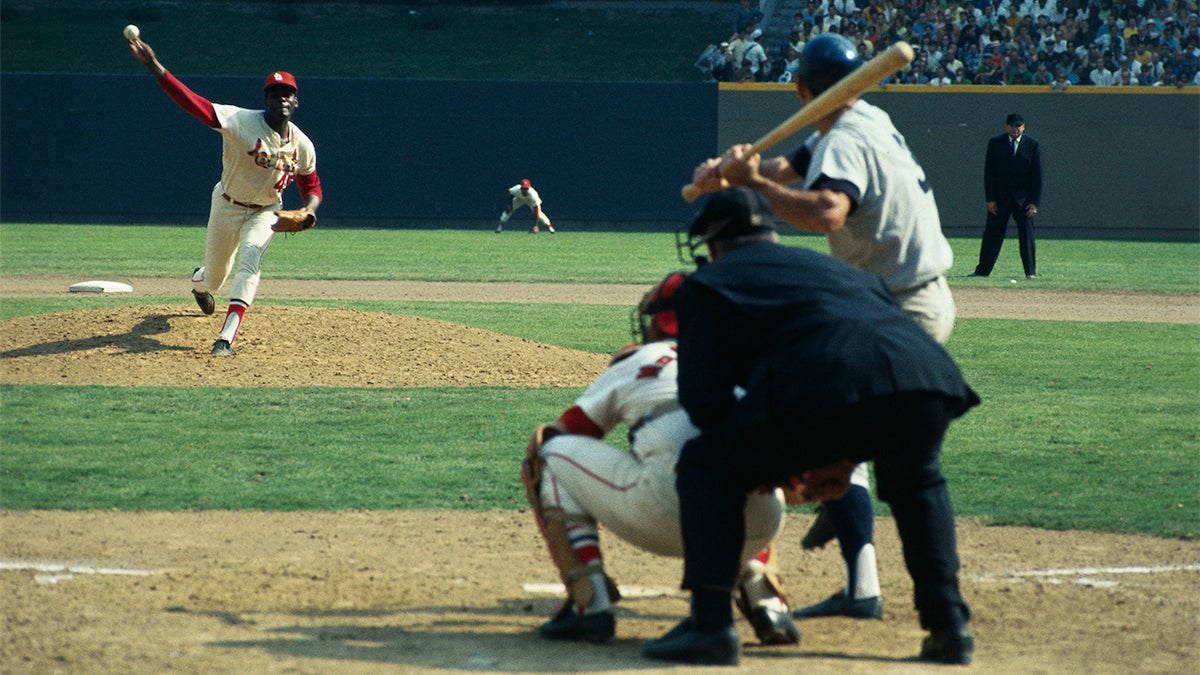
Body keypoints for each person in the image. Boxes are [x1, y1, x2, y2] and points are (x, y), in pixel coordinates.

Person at [641, 187, 979, 667]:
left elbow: (705, 405)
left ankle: (711, 625)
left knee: (705, 463)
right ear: (769, 233)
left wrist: (785, 460)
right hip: (926, 374)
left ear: (714, 244)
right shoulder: (832, 267)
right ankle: (950, 628)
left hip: (829, 382)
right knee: (917, 483)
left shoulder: (708, 283)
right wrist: (834, 449)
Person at [687, 33, 959, 626]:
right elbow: (793, 166)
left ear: (800, 87)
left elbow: (828, 209)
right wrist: (737, 173)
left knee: (843, 444)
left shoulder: (847, 138)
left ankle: (852, 559)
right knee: (868, 454)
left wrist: (752, 185)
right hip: (901, 305)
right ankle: (865, 558)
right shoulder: (864, 118)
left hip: (895, 310)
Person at [520, 273, 800, 646]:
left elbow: (568, 432)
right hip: (764, 521)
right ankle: (767, 602)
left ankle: (591, 604)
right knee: (743, 466)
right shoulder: (745, 360)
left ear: (657, 322)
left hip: (667, 516)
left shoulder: (644, 357)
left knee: (548, 453)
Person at [128, 38, 322, 357]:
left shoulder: (303, 145)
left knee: (250, 257)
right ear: (266, 99)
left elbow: (311, 185)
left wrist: (310, 210)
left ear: (296, 101)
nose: (281, 98)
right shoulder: (240, 121)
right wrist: (154, 66)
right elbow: (193, 103)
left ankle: (225, 338)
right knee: (214, 279)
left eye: (287, 93)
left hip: (267, 212)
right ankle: (199, 281)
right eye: (274, 93)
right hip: (226, 204)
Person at [969, 113, 1042, 279]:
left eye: (1019, 126)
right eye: (1012, 126)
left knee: (1027, 235)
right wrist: (990, 198)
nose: (1015, 129)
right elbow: (989, 173)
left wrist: (1034, 202)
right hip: (1000, 198)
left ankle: (1030, 272)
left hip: (1023, 200)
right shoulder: (995, 143)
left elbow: (1038, 176)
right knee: (992, 234)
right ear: (1006, 126)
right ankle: (982, 271)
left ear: (1023, 127)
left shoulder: (1032, 145)